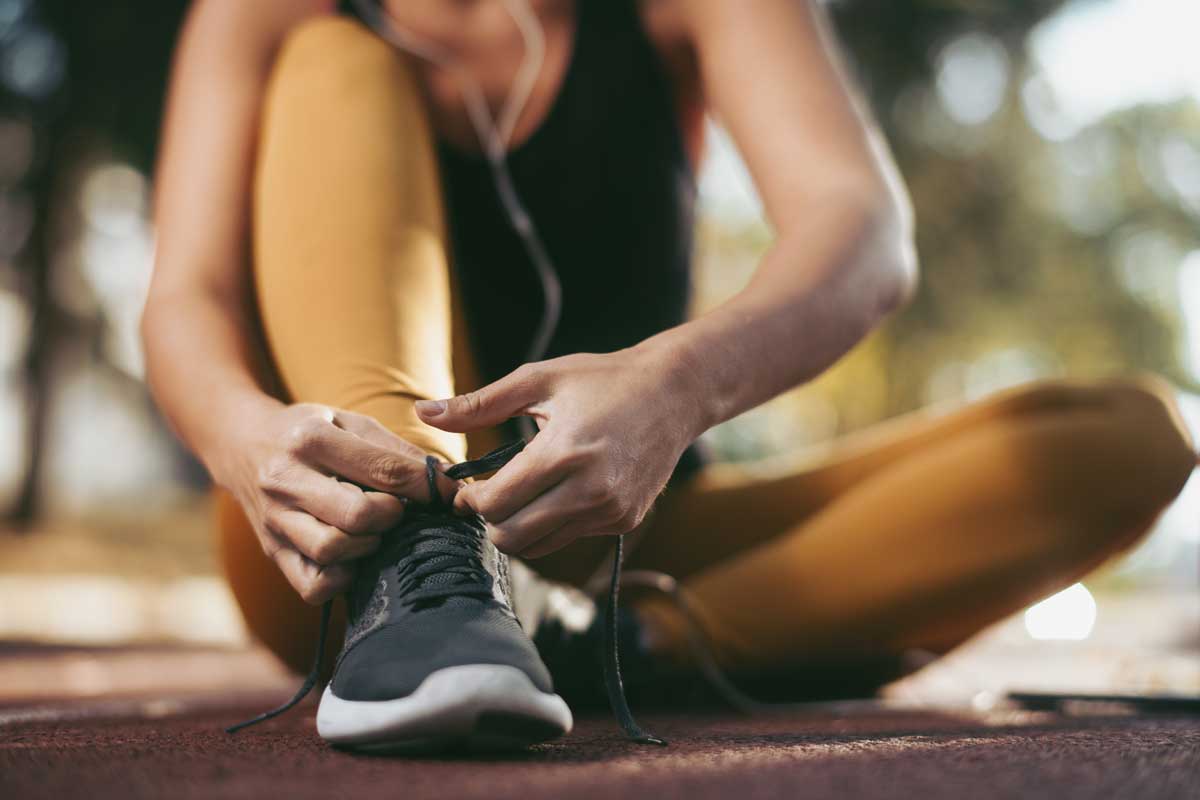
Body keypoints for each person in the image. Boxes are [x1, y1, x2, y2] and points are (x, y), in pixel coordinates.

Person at [143, 0, 1196, 750]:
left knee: (1128, 437)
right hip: (330, 549)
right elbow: (185, 295)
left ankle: (617, 648)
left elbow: (860, 229)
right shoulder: (265, 13)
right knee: (336, 58)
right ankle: (422, 588)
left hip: (621, 545)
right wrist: (245, 440)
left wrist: (679, 384)